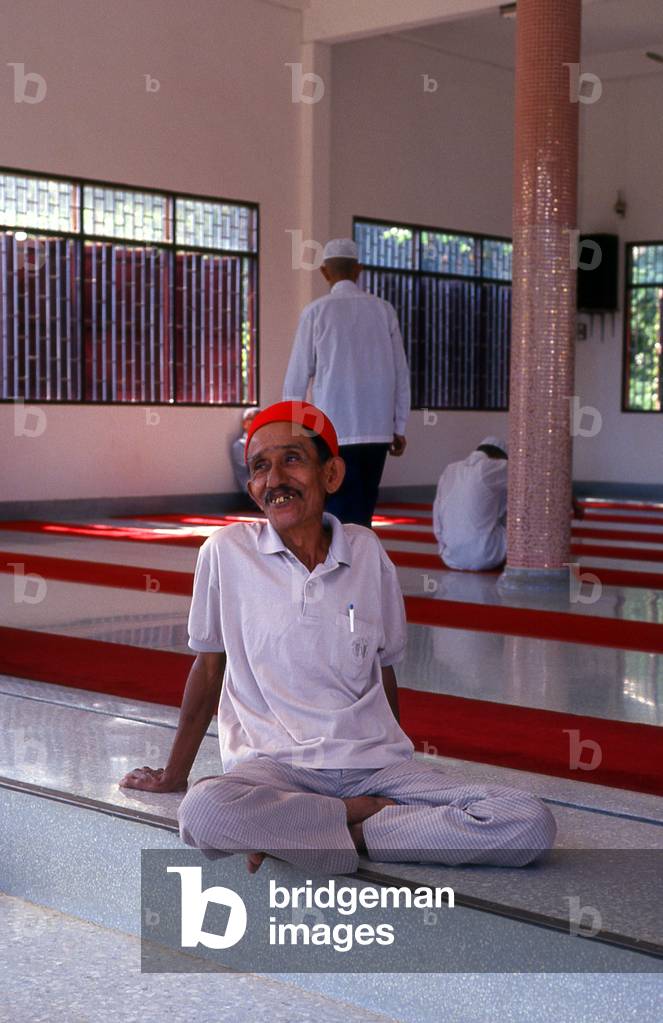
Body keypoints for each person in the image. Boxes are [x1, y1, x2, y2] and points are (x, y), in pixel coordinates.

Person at [119, 404, 554, 876]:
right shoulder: (226, 553)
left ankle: (342, 835)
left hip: (374, 766)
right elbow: (208, 669)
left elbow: (383, 670)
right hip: (278, 769)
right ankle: (357, 818)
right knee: (204, 811)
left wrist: (388, 757)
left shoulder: (367, 552)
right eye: (261, 467)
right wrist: (174, 774)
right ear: (252, 489)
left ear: (331, 473)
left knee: (528, 821)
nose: (275, 479)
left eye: (292, 459)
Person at [282, 238, 410, 528]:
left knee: (332, 504)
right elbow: (401, 373)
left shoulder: (315, 312)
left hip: (331, 430)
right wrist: (398, 426)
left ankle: (335, 566)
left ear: (325, 272)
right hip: (376, 431)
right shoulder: (383, 310)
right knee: (364, 507)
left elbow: (297, 376)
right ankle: (358, 566)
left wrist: (293, 427)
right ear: (359, 270)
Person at [432, 437, 508, 571]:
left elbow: (436, 515)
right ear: (498, 457)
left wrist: (443, 547)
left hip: (450, 557)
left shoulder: (450, 469)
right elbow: (524, 473)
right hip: (487, 555)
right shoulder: (490, 466)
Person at [230, 407, 260, 494]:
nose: (256, 422)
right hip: (255, 493)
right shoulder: (240, 445)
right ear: (244, 424)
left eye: (259, 419)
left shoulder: (269, 442)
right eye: (252, 419)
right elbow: (243, 475)